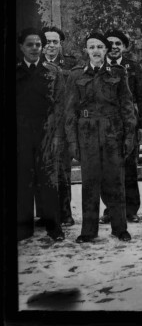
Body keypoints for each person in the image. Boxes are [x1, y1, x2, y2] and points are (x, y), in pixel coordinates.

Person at [65, 32, 136, 243]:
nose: (95, 50)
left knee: (115, 181)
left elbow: (127, 108)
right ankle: (88, 231)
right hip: (86, 134)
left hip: (112, 132)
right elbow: (70, 113)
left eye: (99, 47)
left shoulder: (118, 73)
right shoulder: (76, 75)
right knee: (89, 183)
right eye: (91, 47)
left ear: (106, 50)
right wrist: (72, 142)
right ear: (86, 50)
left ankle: (119, 228)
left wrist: (129, 137)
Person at [98, 29, 142, 224]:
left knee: (128, 168)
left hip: (129, 125)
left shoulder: (134, 67)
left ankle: (131, 209)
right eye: (110, 43)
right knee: (106, 169)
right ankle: (110, 209)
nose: (114, 47)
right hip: (105, 126)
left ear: (124, 47)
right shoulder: (99, 66)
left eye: (118, 44)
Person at [17, 28, 65, 242]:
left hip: (47, 133)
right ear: (21, 47)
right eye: (30, 45)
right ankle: (23, 228)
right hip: (21, 134)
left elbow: (61, 104)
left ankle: (54, 227)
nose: (35, 48)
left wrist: (55, 135)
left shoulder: (53, 72)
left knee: (48, 181)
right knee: (24, 180)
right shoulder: (15, 72)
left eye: (38, 44)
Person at [39, 26, 79, 227]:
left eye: (55, 42)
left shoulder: (71, 64)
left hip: (62, 127)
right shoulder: (33, 65)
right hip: (39, 127)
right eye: (47, 42)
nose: (51, 46)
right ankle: (46, 214)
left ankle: (65, 214)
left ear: (60, 44)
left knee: (62, 171)